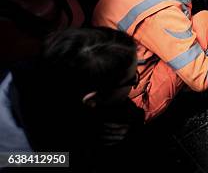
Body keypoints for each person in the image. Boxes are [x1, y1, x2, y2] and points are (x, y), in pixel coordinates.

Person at [1, 27, 142, 170]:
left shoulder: (24, 71)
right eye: (132, 79)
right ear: (91, 100)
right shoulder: (31, 158)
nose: (136, 80)